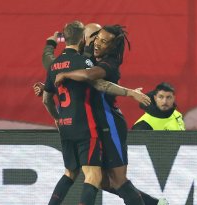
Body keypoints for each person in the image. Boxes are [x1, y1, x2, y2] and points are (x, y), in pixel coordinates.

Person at [54, 25, 168, 205]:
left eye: (103, 41)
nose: (97, 43)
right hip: (93, 127)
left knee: (118, 180)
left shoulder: (110, 63)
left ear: (112, 47)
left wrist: (65, 74)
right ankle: (156, 204)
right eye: (97, 38)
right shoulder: (88, 55)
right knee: (103, 181)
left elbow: (90, 75)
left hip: (110, 123)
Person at [42, 20, 102, 205]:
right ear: (83, 39)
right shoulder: (84, 61)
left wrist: (58, 119)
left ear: (65, 38)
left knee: (70, 172)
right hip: (85, 125)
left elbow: (46, 99)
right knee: (93, 175)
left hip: (65, 125)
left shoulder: (54, 65)